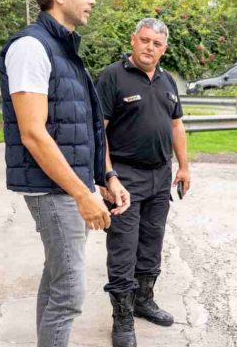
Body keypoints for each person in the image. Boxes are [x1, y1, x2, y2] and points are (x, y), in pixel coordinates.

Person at [0, 0, 130, 347]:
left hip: (67, 186)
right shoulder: (30, 47)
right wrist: (82, 195)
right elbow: (33, 134)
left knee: (57, 280)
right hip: (52, 190)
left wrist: (105, 178)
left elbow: (83, 127)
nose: (92, 0)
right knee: (70, 293)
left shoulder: (64, 50)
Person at [95, 18, 191, 347]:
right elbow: (99, 132)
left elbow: (176, 126)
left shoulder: (167, 80)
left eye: (157, 43)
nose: (150, 47)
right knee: (123, 249)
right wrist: (106, 176)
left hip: (160, 175)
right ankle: (122, 318)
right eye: (145, 40)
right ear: (133, 39)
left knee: (152, 243)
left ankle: (143, 301)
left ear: (164, 48)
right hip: (125, 176)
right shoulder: (112, 77)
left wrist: (184, 167)